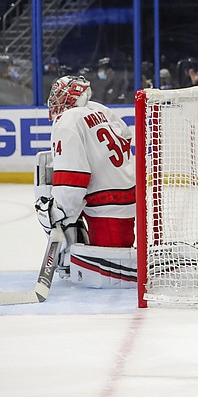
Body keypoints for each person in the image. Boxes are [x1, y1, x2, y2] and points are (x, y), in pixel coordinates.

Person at [34, 75, 136, 288]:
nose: (54, 101)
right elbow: (126, 137)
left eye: (58, 95)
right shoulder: (98, 109)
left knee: (113, 277)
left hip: (108, 204)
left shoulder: (67, 121)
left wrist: (57, 213)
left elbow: (72, 180)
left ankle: (68, 260)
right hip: (127, 190)